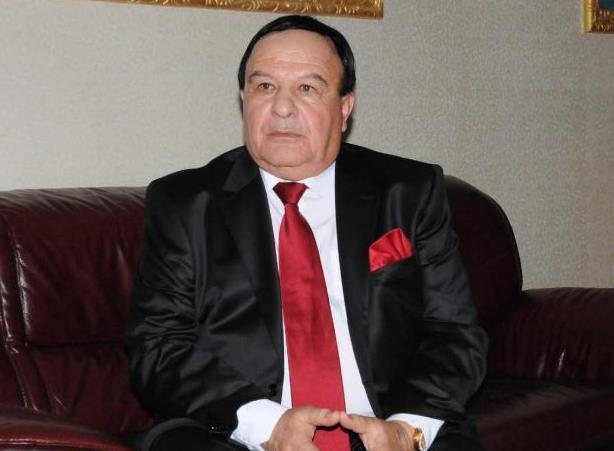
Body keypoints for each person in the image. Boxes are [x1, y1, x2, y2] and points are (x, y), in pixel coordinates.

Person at [126, 14, 488, 451]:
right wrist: (269, 426)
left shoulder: (407, 193)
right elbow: (159, 347)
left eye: (307, 88)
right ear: (244, 99)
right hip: (241, 431)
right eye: (265, 87)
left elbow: (454, 334)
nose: (282, 107)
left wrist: (404, 430)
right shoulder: (186, 203)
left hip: (387, 425)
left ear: (345, 107)